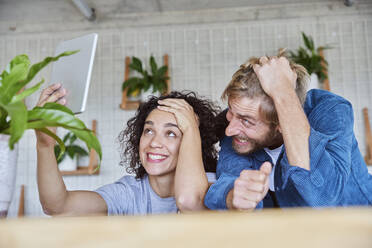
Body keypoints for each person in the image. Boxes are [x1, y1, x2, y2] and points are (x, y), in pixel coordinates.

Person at [204, 50, 372, 210]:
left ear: (280, 124)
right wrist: (234, 197)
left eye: (247, 121)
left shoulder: (329, 110)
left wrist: (283, 93)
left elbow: (324, 196)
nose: (229, 130)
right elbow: (228, 180)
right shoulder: (238, 128)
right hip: (297, 235)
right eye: (231, 112)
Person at [36, 84, 219, 216]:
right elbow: (58, 206)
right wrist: (44, 145)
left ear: (193, 141)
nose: (154, 142)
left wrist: (191, 128)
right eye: (149, 130)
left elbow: (191, 202)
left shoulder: (212, 187)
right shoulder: (129, 193)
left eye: (171, 133)